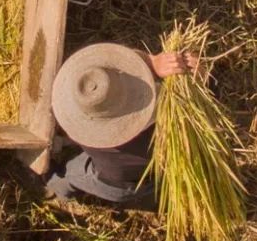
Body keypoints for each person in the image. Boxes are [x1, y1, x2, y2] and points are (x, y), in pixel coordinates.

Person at [44, 42, 197, 208]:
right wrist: (154, 63)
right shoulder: (167, 119)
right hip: (147, 171)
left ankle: (54, 190)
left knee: (69, 174)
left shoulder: (79, 129)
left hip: (118, 185)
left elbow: (71, 133)